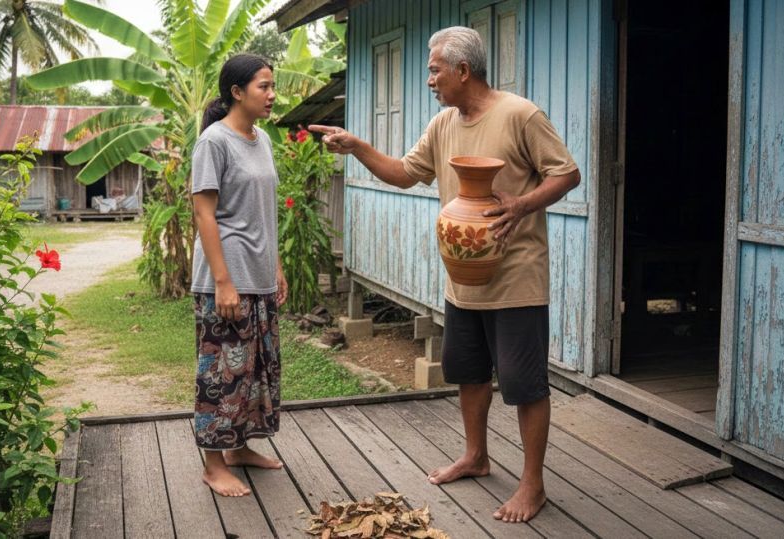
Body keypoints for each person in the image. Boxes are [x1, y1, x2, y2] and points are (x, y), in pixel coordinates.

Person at [310, 26, 580, 523]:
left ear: (463, 70)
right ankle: (476, 456)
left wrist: (520, 205)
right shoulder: (442, 125)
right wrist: (357, 146)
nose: (430, 79)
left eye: (435, 69)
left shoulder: (520, 114)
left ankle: (533, 484)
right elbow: (404, 173)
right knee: (469, 372)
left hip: (517, 278)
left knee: (524, 384)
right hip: (464, 278)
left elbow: (566, 173)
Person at [191, 54, 288, 497]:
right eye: (263, 87)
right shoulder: (214, 141)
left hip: (259, 274)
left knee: (254, 371)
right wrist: (223, 281)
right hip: (226, 278)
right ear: (237, 91)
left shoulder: (261, 139)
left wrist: (277, 265)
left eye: (272, 86)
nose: (271, 95)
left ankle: (239, 448)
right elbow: (204, 213)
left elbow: (263, 210)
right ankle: (213, 465)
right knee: (221, 373)